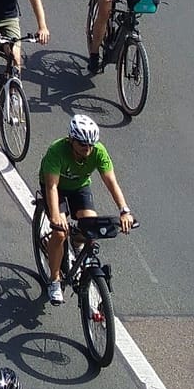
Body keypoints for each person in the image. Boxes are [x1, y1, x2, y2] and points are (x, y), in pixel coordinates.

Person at [37, 114, 135, 305]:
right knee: (59, 234)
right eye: (83, 144)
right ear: (71, 140)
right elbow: (52, 187)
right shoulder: (56, 151)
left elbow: (111, 182)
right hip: (57, 188)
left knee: (91, 226)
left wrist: (124, 210)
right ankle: (54, 280)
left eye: (91, 145)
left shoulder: (98, 151)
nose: (87, 149)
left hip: (79, 187)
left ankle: (77, 240)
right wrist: (56, 217)